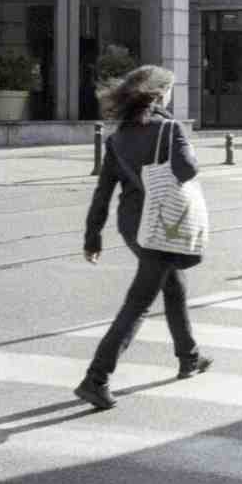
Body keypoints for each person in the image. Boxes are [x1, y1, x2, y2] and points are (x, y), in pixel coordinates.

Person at [76, 66, 210, 411]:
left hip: (133, 225)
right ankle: (96, 378)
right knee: (138, 302)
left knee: (173, 284)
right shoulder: (169, 128)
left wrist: (93, 237)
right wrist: (184, 143)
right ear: (160, 94)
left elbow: (103, 191)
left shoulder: (118, 136)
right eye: (170, 90)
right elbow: (187, 170)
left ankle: (189, 356)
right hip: (163, 225)